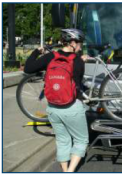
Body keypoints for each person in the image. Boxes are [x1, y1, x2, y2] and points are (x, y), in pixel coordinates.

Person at [24, 29, 89, 172]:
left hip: (53, 108)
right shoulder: (78, 61)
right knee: (81, 140)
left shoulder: (50, 57)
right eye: (79, 43)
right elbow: (78, 82)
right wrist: (81, 60)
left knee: (62, 140)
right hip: (72, 107)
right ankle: (70, 171)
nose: (80, 46)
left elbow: (28, 69)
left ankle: (65, 170)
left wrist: (36, 52)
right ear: (72, 43)